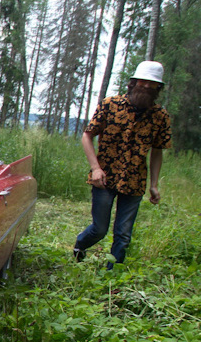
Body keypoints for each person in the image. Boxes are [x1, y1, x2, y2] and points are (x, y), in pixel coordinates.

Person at [73, 60, 171, 267]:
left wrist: (154, 185)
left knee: (123, 234)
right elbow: (87, 135)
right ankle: (79, 246)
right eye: (142, 82)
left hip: (135, 181)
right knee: (99, 229)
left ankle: (111, 277)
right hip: (105, 178)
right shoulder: (110, 105)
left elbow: (157, 151)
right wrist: (96, 168)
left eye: (151, 84)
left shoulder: (160, 116)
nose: (145, 87)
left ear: (158, 88)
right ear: (133, 83)